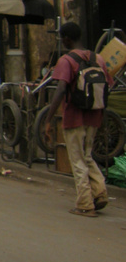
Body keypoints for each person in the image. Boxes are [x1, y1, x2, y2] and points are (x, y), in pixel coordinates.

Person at [43, 22, 111, 218]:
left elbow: (61, 90)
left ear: (66, 39)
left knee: (77, 160)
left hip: (74, 117)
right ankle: (100, 193)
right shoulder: (98, 58)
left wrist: (48, 118)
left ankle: (85, 204)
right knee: (87, 156)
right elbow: (107, 86)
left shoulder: (66, 60)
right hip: (94, 115)